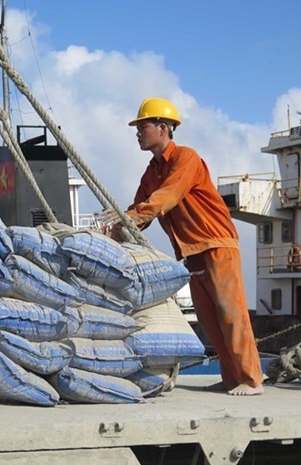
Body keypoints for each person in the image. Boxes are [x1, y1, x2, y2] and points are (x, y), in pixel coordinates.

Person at [103, 97, 264, 396]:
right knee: (208, 318)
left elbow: (166, 197)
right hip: (190, 250)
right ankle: (232, 378)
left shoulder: (185, 159)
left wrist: (130, 216)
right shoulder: (151, 172)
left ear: (162, 128)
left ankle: (251, 379)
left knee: (230, 312)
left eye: (143, 126)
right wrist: (108, 233)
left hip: (216, 243)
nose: (137, 132)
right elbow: (138, 210)